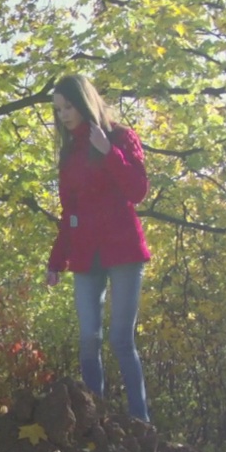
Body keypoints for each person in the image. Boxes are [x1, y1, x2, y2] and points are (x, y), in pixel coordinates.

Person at [45, 75, 152, 423]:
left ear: (85, 101)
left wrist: (110, 153)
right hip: (85, 254)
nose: (63, 114)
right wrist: (56, 260)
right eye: (58, 109)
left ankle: (140, 421)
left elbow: (137, 191)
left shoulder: (120, 137)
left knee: (122, 339)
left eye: (69, 106)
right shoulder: (69, 151)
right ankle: (95, 418)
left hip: (124, 251)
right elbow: (69, 212)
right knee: (89, 337)